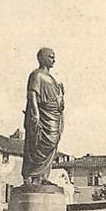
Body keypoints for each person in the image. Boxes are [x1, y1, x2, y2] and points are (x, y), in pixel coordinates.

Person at [22, 48, 65, 185]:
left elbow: (59, 103)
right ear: (42, 58)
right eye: (51, 57)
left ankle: (42, 177)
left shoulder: (52, 79)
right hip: (42, 115)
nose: (54, 60)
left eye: (54, 57)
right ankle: (31, 176)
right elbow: (32, 95)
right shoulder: (36, 75)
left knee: (53, 142)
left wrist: (61, 95)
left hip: (53, 115)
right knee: (39, 144)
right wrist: (35, 114)